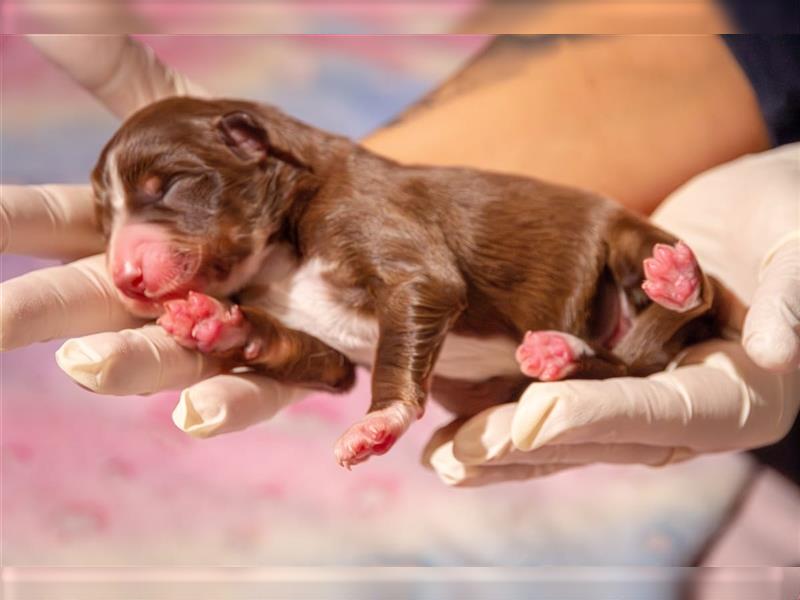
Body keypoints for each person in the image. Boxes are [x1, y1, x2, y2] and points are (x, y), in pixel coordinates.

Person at [1, 34, 797, 488]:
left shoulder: (344, 201)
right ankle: (608, 358)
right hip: (537, 363)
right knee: (552, 405)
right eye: (114, 220)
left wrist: (394, 403)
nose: (123, 259)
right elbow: (324, 366)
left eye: (162, 193)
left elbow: (425, 284)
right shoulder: (265, 273)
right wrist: (246, 339)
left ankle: (675, 303)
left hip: (594, 260)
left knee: (630, 249)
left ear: (251, 146)